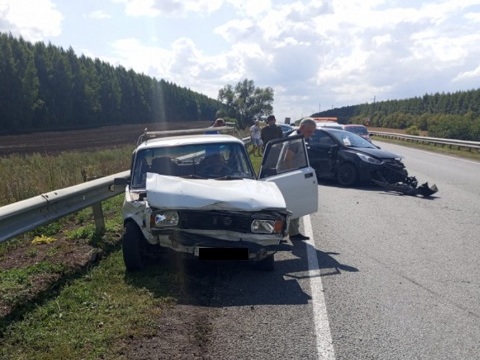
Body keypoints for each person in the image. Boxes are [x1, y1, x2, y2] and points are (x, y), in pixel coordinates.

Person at [285, 117, 317, 241]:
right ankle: (291, 232)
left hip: (294, 176)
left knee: (295, 204)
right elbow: (287, 159)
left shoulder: (299, 138)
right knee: (294, 205)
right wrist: (294, 176)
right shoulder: (295, 140)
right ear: (302, 127)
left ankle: (293, 231)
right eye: (309, 131)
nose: (311, 134)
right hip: (292, 177)